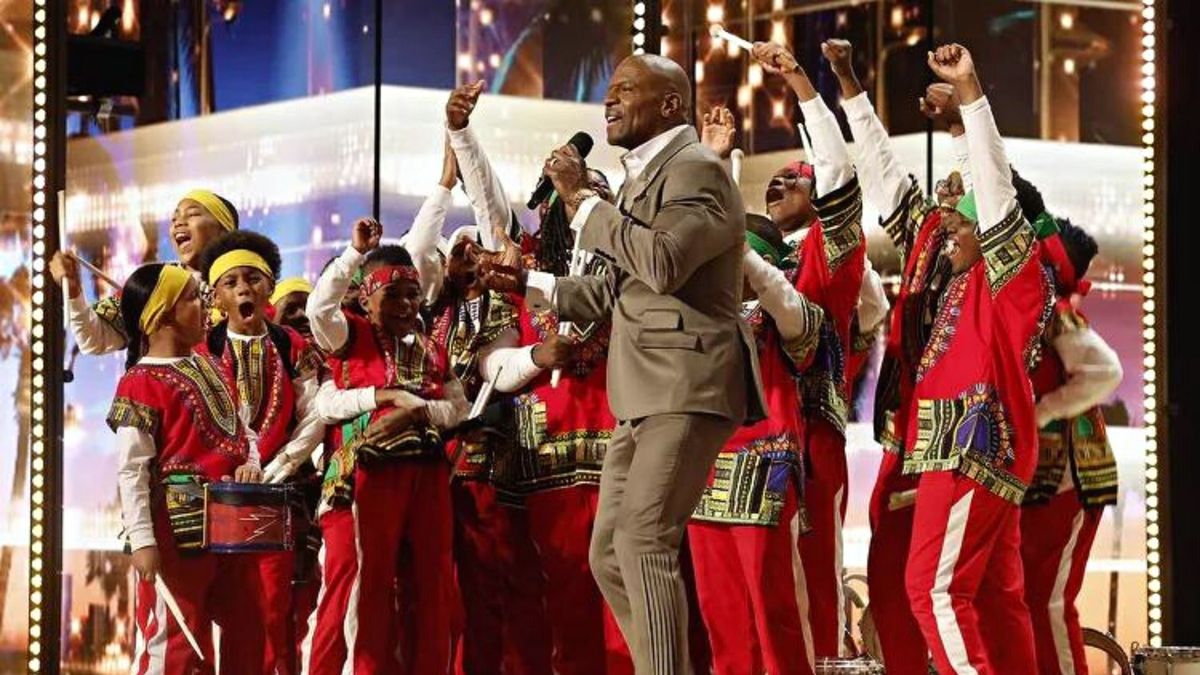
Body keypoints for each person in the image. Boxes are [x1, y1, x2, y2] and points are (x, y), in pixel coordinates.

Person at [484, 53, 766, 674]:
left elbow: (663, 263)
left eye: (625, 91)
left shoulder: (697, 171)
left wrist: (583, 204)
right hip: (641, 392)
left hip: (686, 382)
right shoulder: (644, 180)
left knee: (643, 538)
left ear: (670, 105)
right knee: (609, 551)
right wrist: (526, 278)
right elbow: (613, 291)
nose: (608, 103)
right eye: (608, 92)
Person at [448, 80, 629, 675]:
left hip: (620, 444)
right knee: (561, 599)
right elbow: (489, 211)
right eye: (566, 203)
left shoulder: (631, 272)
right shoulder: (524, 274)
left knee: (627, 594)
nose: (577, 208)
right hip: (544, 456)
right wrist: (462, 134)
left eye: (592, 199)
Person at [902, 44, 1053, 674]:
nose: (947, 236)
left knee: (932, 590)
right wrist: (958, 127)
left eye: (959, 229)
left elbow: (992, 191)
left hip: (972, 447)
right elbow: (971, 192)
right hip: (969, 446)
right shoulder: (968, 283)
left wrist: (971, 92)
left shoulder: (1009, 278)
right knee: (996, 595)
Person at [305, 218, 469, 675]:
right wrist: (354, 255)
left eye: (412, 294)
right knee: (364, 584)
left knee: (433, 585)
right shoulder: (350, 335)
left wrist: (416, 409)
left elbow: (457, 408)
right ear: (365, 299)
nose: (405, 304)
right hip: (366, 474)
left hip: (428, 473)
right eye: (392, 295)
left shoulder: (432, 348)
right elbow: (319, 310)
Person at [749, 39, 868, 659]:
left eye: (795, 180)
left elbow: (839, 174)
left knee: (812, 586)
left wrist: (801, 83)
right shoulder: (750, 260)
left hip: (808, 440)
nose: (778, 182)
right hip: (742, 433)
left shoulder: (833, 255)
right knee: (748, 601)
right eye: (772, 179)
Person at [108, 262, 265, 673]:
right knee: (177, 638)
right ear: (161, 315)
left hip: (231, 518)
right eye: (194, 299)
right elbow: (132, 470)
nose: (207, 306)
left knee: (247, 629)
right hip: (176, 526)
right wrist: (143, 540)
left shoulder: (210, 365)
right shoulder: (140, 383)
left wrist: (250, 462)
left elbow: (242, 429)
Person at [687, 215, 824, 675]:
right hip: (704, 477)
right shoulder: (704, 313)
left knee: (774, 612)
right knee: (720, 619)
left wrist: (740, 254)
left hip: (763, 476)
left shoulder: (788, 311)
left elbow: (786, 307)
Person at [194, 230, 325, 674]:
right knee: (231, 612)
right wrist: (234, 467)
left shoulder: (292, 345)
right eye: (231, 283)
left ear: (269, 287)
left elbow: (314, 415)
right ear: (216, 297)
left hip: (277, 495)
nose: (243, 289)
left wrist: (278, 466)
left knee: (276, 609)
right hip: (223, 497)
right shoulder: (202, 352)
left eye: (252, 279)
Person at [1021, 218, 1122, 675]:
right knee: (1025, 600)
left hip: (1067, 478)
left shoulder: (1057, 312)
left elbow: (1106, 372)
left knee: (1049, 602)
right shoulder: (1032, 307)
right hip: (1037, 480)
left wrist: (1041, 410)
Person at [51, 189, 239, 354]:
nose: (178, 223)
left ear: (224, 231)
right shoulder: (155, 282)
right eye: (174, 218)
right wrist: (74, 291)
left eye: (192, 214)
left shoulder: (248, 283)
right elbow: (93, 340)